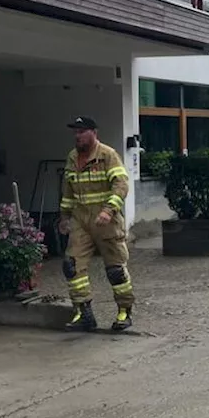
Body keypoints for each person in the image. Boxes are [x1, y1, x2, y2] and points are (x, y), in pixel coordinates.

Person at [59, 116, 134, 332]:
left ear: (94, 132)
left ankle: (124, 312)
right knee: (72, 266)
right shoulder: (72, 157)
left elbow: (121, 185)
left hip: (106, 222)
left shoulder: (108, 155)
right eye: (75, 132)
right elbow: (68, 191)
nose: (77, 136)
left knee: (115, 270)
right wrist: (64, 217)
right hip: (81, 221)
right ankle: (84, 313)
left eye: (81, 132)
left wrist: (108, 210)